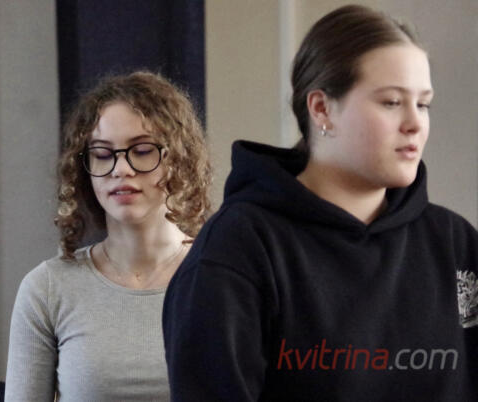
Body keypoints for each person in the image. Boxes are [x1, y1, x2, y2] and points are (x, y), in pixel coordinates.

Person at [163, 5, 478, 401]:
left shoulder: (455, 243)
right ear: (322, 108)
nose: (415, 123)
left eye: (424, 103)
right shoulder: (238, 250)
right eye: (391, 102)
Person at [5, 71, 211, 401]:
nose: (121, 169)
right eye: (102, 154)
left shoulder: (222, 278)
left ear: (177, 158)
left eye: (142, 150)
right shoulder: (47, 288)